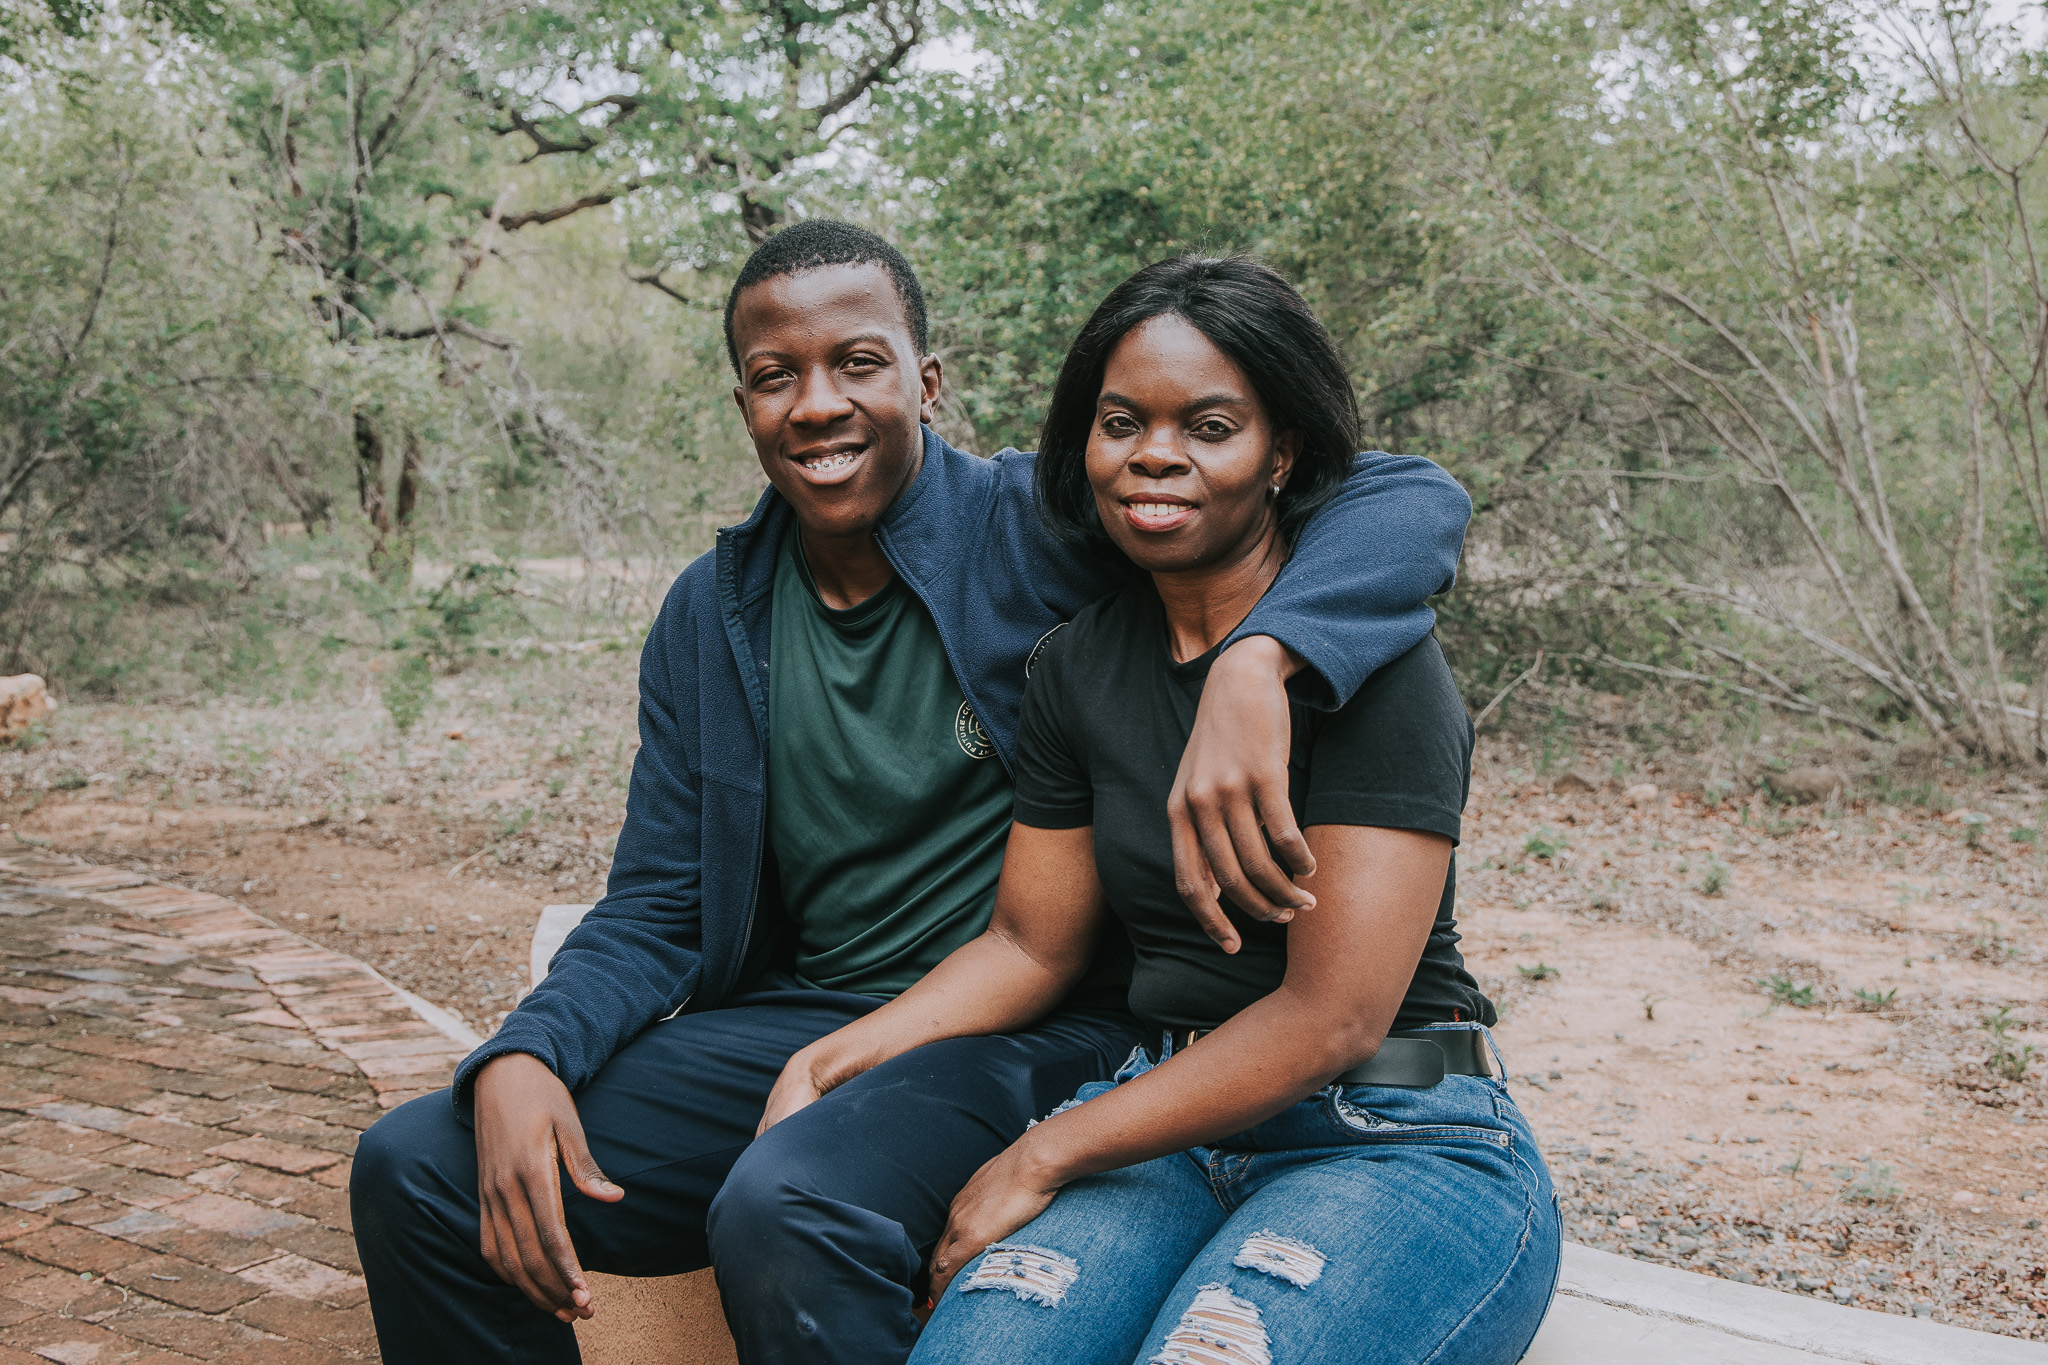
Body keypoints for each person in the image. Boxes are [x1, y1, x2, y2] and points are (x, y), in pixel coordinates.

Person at [352, 223, 1477, 1365]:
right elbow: (658, 905)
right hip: (811, 1016)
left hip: (1043, 1023)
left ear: (924, 381)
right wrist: (530, 1052)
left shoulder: (1042, 532)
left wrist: (1261, 656)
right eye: (773, 376)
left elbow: (1397, 494)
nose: (816, 404)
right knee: (418, 1170)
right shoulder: (712, 616)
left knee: (794, 1202)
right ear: (741, 401)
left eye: (857, 362)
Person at [758, 255, 1559, 1365]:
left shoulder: (1370, 664)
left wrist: (1041, 1153)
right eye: (1120, 421)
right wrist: (838, 1057)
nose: (1153, 456)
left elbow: (1332, 1019)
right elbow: (1029, 943)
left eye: (1209, 426)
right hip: (1162, 1132)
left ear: (1279, 454)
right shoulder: (1076, 670)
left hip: (1392, 1136)